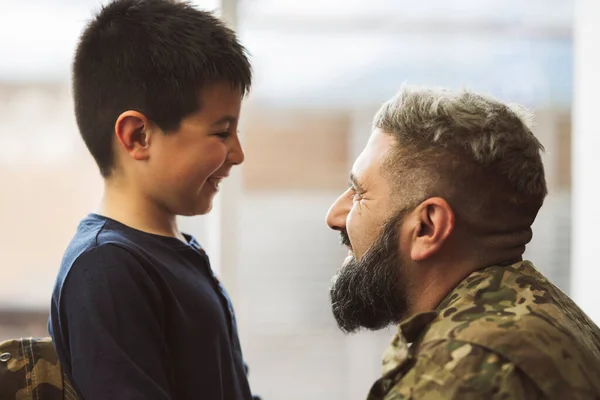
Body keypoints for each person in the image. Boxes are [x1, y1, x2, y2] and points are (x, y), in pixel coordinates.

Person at [326, 85, 600, 399]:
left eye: (359, 193)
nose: (334, 215)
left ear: (428, 227)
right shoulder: (556, 318)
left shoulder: (457, 374)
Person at [48, 1, 256, 398]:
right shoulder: (107, 269)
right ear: (138, 136)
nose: (238, 154)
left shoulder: (174, 254)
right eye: (222, 132)